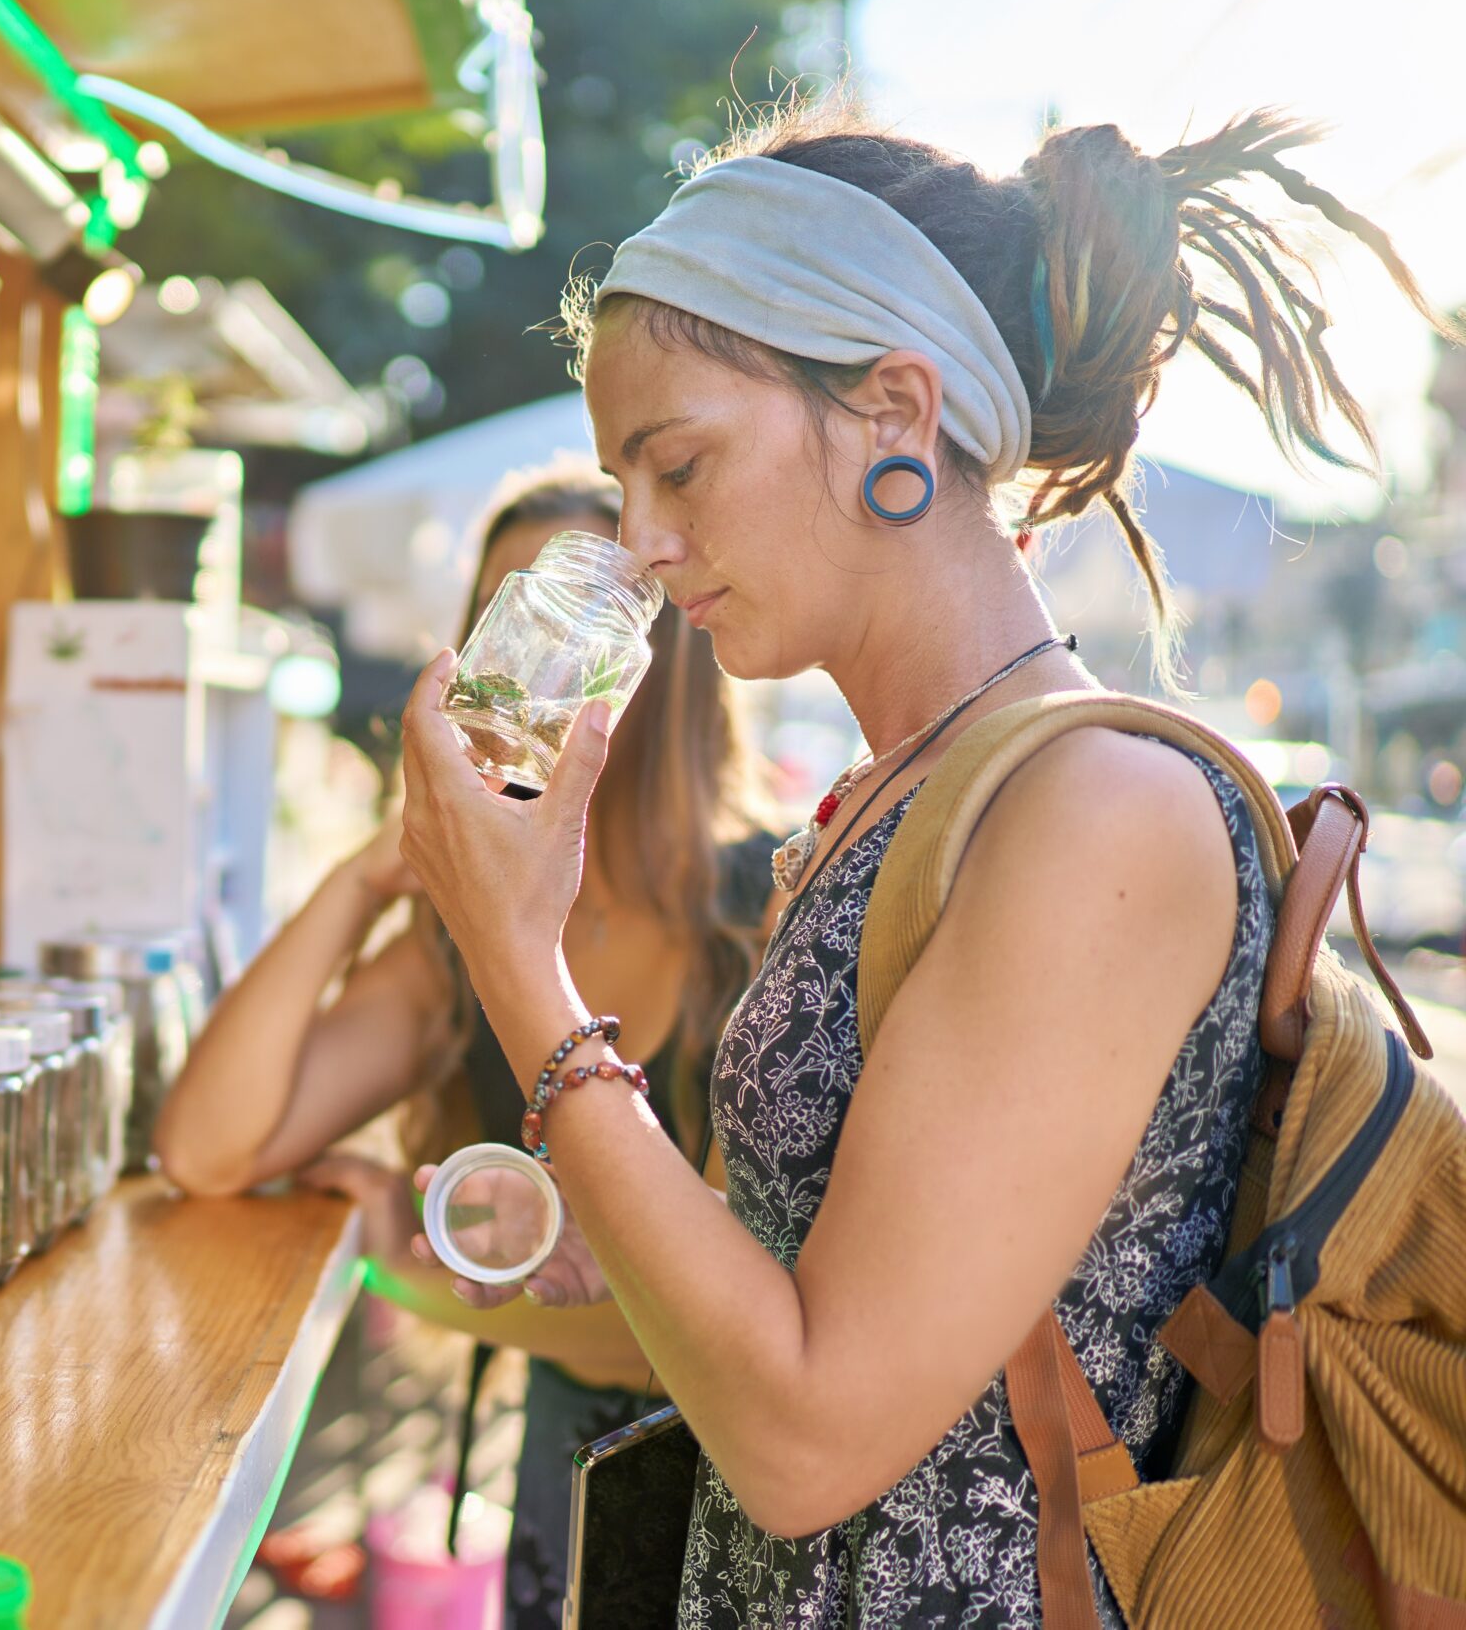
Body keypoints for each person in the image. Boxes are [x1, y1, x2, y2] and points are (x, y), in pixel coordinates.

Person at [394, 102, 1456, 1624]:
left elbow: (810, 1433)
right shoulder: (900, 796)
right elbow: (822, 1273)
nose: (638, 538)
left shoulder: (1100, 814)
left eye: (676, 463)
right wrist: (603, 1243)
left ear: (896, 407)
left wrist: (516, 957)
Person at [154, 462, 779, 1627]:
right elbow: (208, 1148)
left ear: (660, 667)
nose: (536, 677)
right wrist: (369, 871)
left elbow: (717, 1316)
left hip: (745, 1488)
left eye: (584, 635)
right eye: (517, 621)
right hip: (566, 1451)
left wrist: (419, 1273)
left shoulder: (766, 910)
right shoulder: (455, 945)